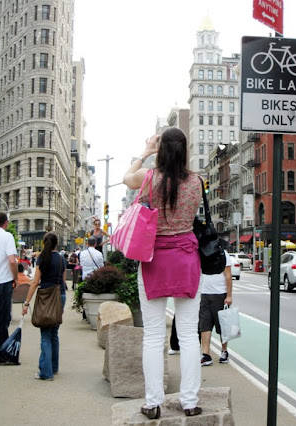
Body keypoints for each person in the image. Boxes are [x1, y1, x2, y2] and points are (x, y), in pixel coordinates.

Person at [122, 127, 203, 419]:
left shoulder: (149, 179)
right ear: (185, 149)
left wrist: (145, 151)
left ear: (162, 149)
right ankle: (190, 402)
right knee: (189, 334)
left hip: (154, 259)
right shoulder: (198, 182)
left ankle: (153, 402)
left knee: (154, 336)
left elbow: (125, 178)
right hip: (186, 259)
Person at [21, 233, 67, 380]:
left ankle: (46, 373)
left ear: (44, 243)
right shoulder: (61, 259)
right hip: (59, 295)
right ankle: (53, 367)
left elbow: (35, 282)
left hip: (46, 296)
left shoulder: (42, 258)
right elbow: (63, 281)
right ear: (57, 243)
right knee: (54, 333)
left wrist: (27, 303)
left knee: (45, 335)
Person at [199, 250, 233, 366]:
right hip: (204, 293)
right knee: (205, 325)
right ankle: (206, 354)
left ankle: (224, 351)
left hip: (220, 294)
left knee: (222, 325)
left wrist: (228, 295)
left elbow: (228, 275)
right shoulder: (201, 252)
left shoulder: (223, 253)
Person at [0, 212, 18, 352]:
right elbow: (12, 261)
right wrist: (15, 277)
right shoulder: (7, 236)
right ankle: (2, 349)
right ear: (6, 222)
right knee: (2, 318)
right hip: (3, 281)